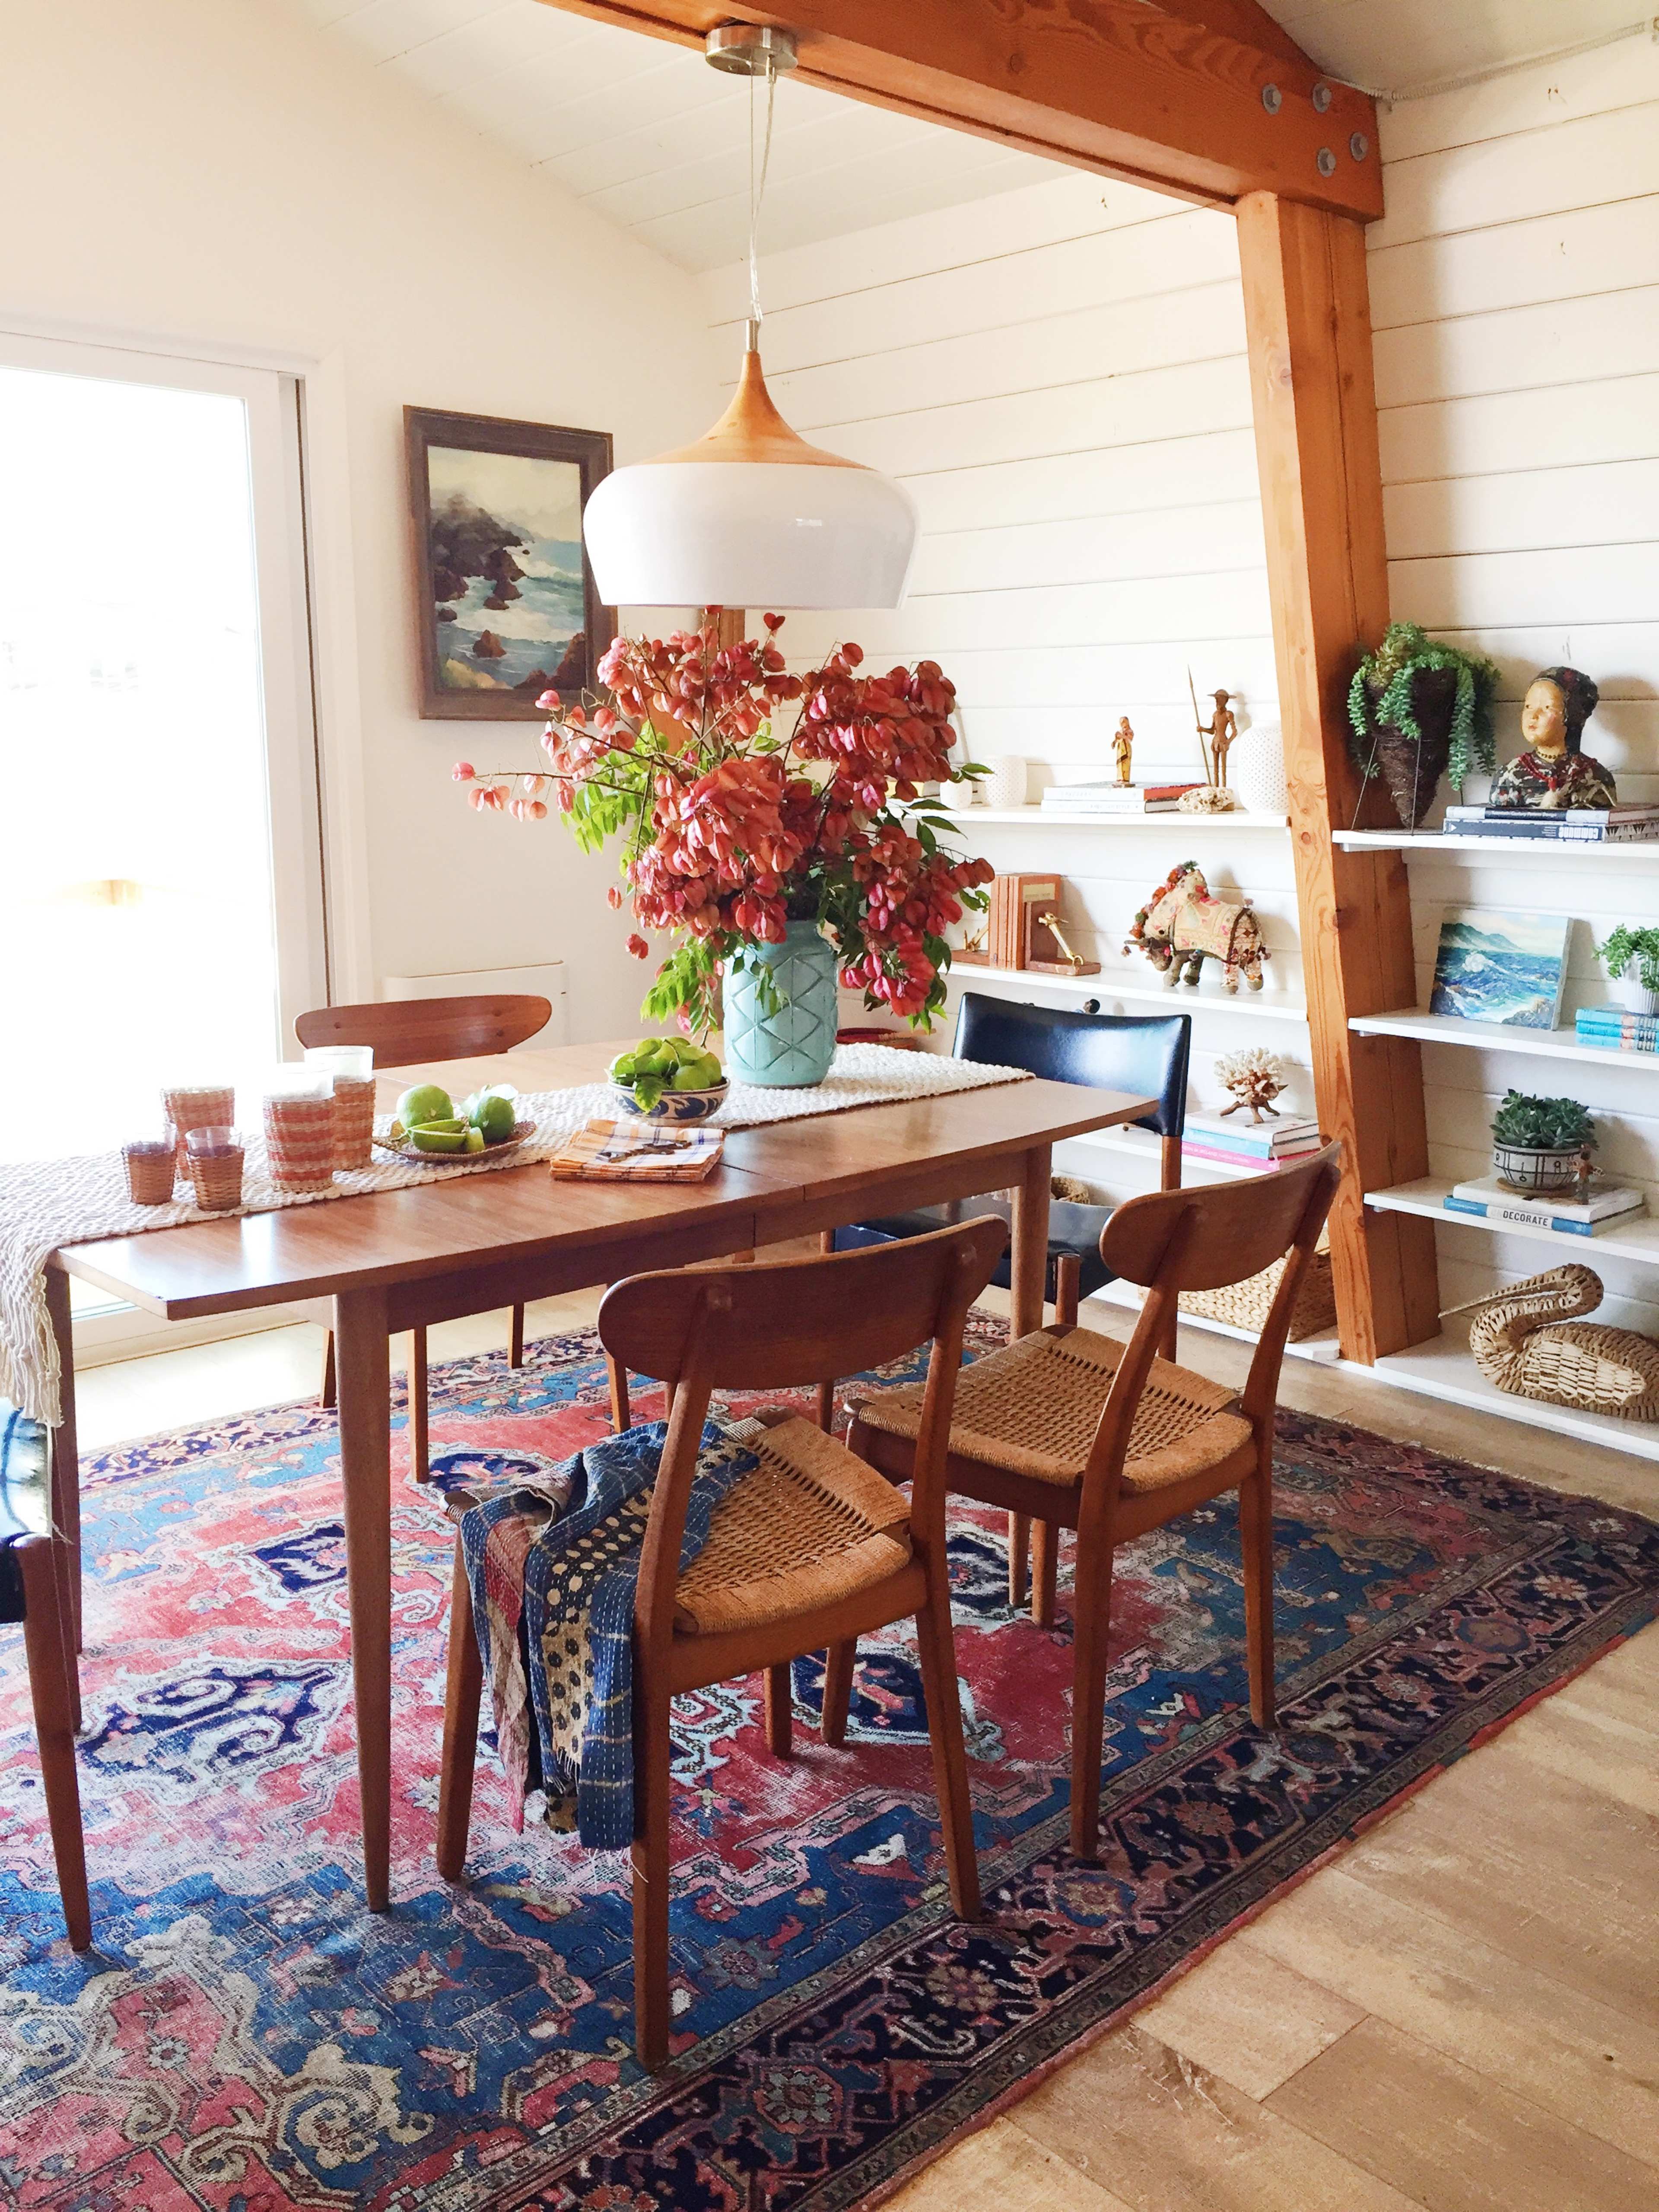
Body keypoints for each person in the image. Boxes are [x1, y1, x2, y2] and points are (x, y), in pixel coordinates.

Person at [1488, 666, 1615, 809]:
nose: (1533, 715)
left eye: (1548, 707)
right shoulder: (1509, 776)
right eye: (1529, 706)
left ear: (1572, 715)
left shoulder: (1596, 777)